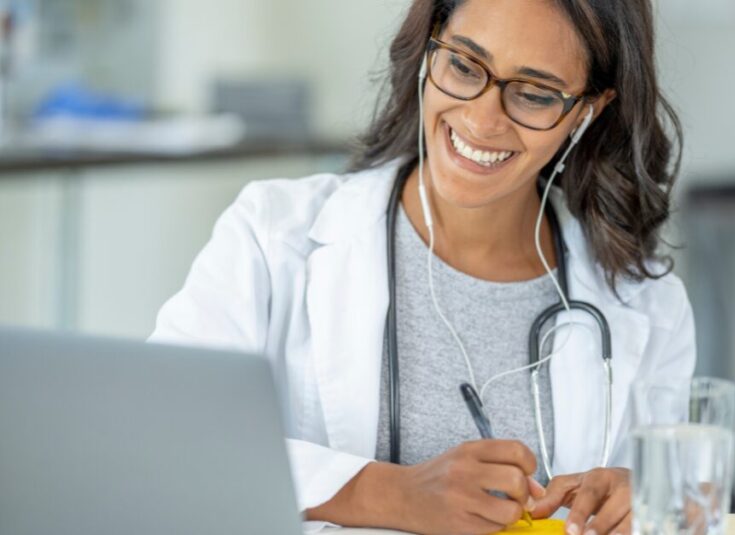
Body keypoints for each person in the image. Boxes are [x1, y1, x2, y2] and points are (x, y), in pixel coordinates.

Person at [151, 0, 694, 533]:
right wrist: (388, 494)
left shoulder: (647, 304)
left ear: (587, 111)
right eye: (463, 65)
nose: (482, 120)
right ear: (430, 47)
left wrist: (650, 500)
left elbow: (679, 504)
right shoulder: (273, 236)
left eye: (533, 94)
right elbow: (163, 435)